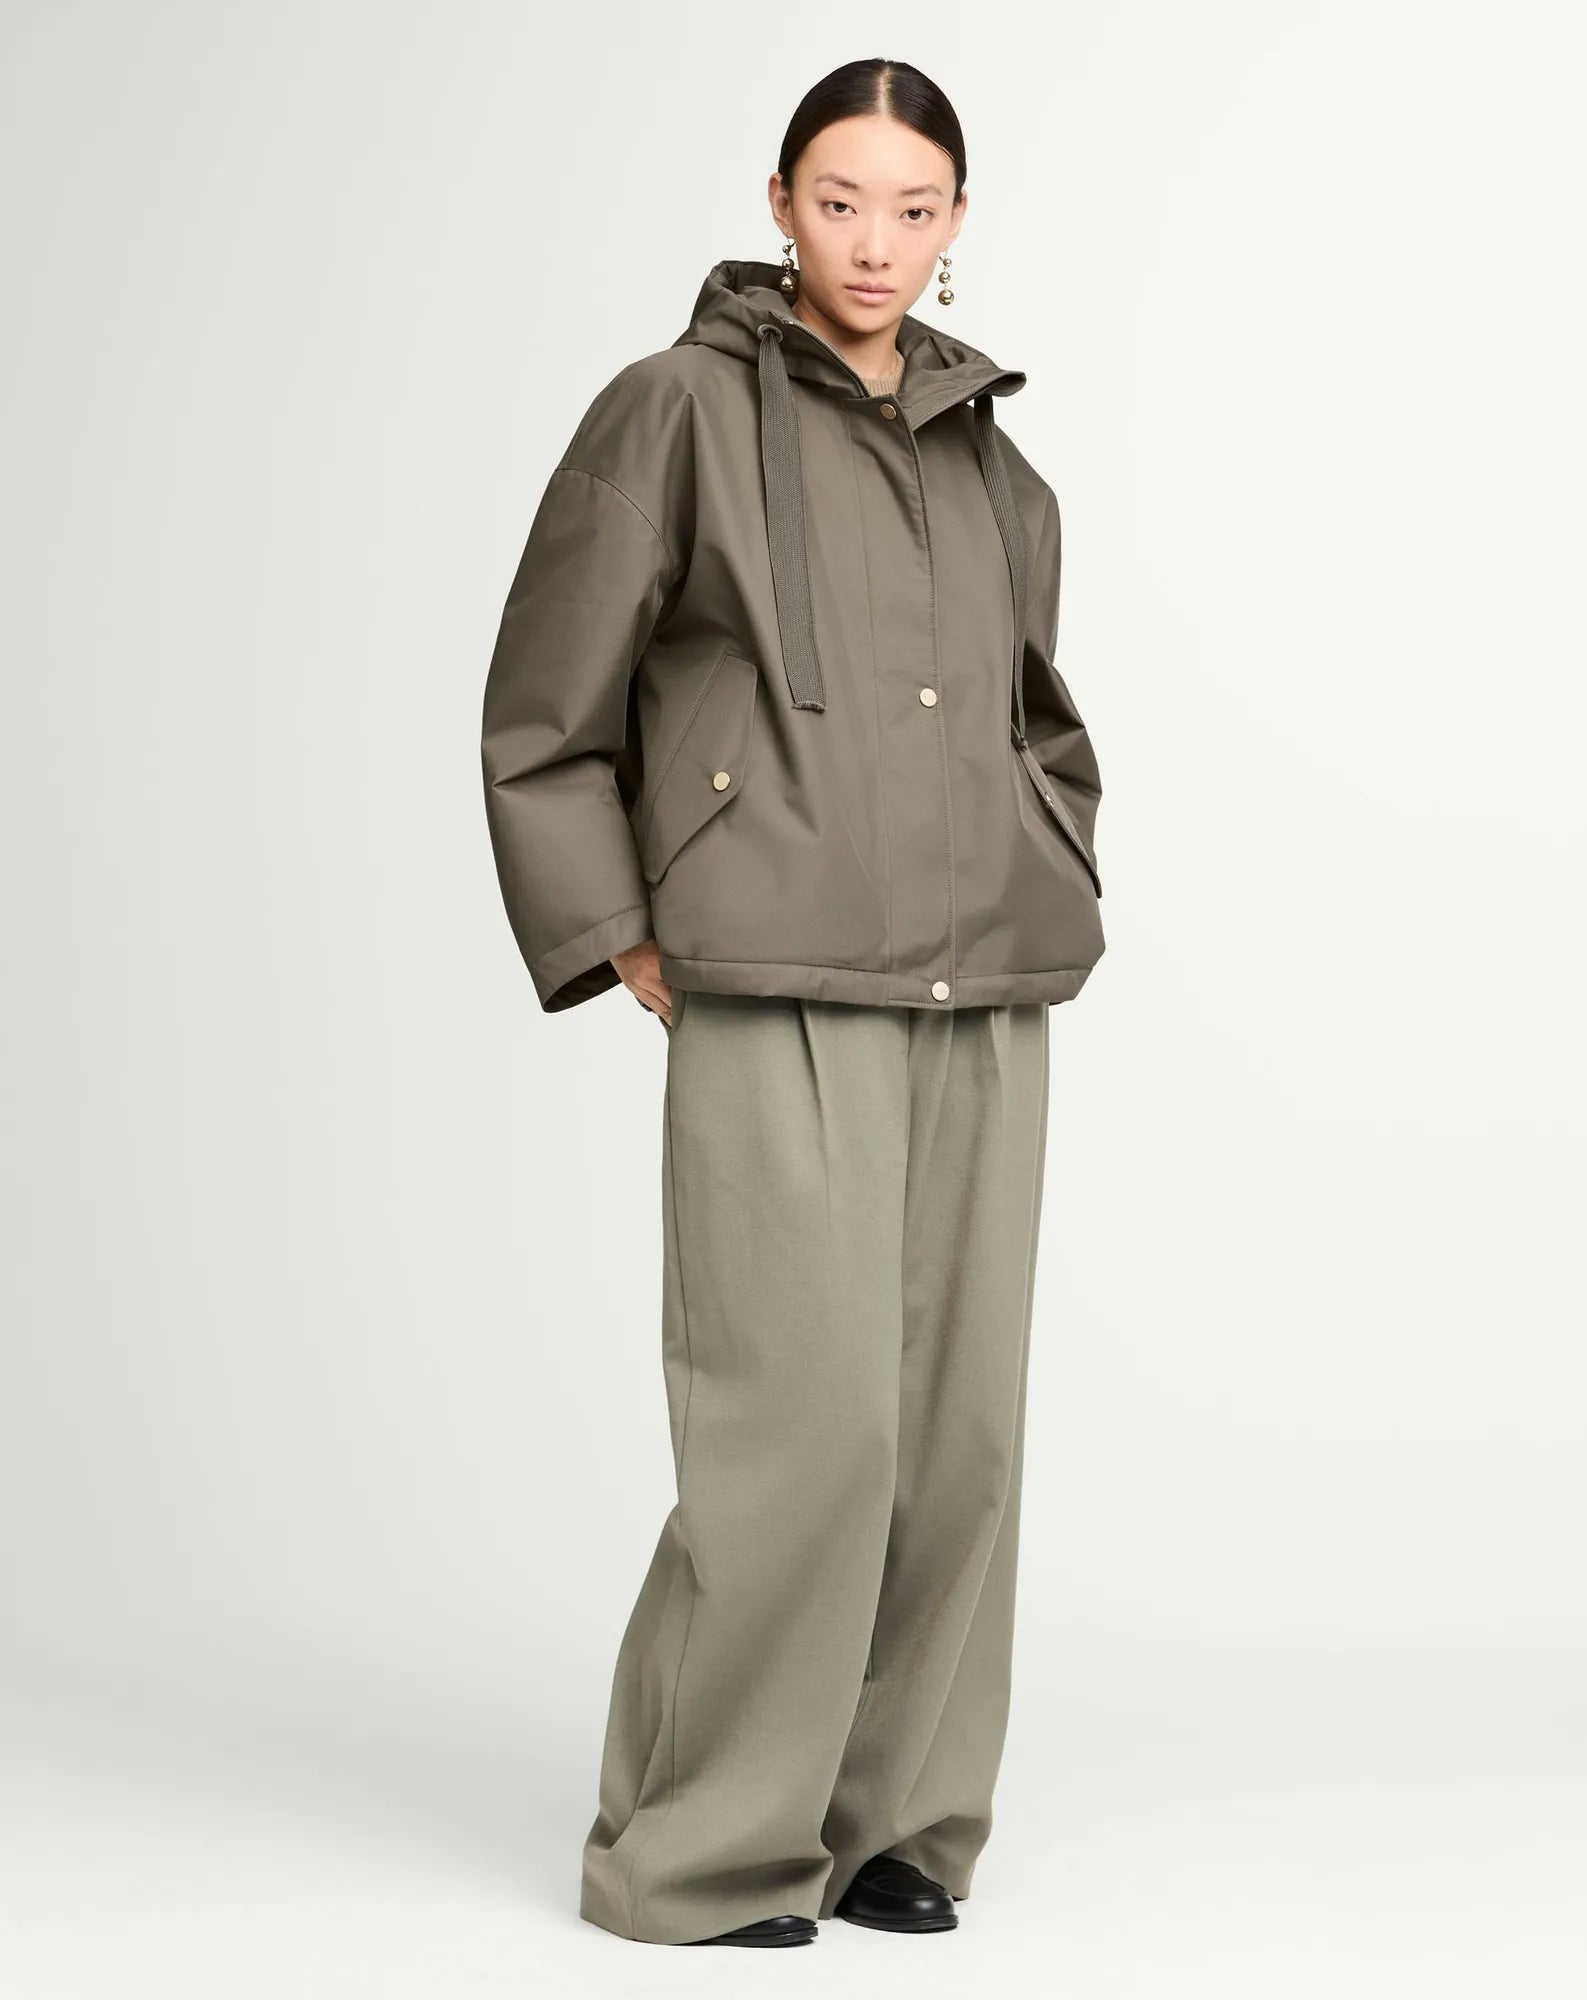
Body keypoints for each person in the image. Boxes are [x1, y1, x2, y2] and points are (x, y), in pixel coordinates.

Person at [479, 56, 1106, 1950]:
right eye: (841, 202)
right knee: (797, 1430)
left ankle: (897, 1822)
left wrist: (1051, 856)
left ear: (958, 222)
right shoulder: (673, 411)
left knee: (956, 1437)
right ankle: (702, 1849)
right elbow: (544, 706)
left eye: (913, 209)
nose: (875, 244)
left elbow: (1040, 718)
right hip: (774, 975)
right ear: (779, 202)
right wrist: (621, 930)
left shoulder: (998, 463)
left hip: (984, 986)